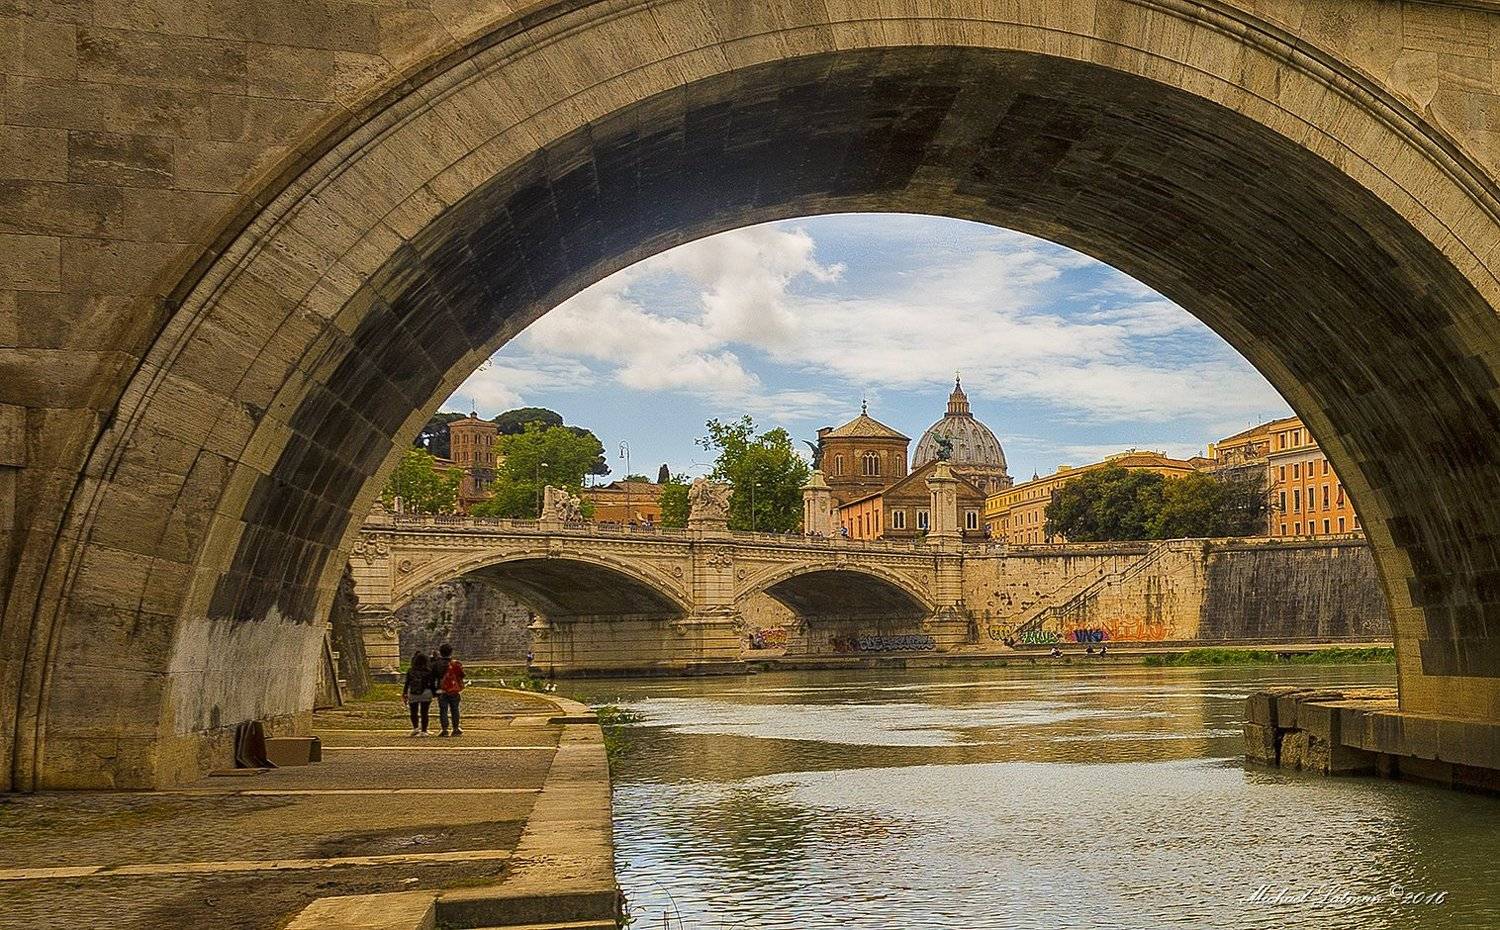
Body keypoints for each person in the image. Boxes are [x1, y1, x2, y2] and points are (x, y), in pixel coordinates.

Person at [430, 643, 465, 737]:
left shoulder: (436, 664)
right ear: (451, 652)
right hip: (454, 690)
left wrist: (434, 691)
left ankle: (444, 729)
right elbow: (462, 675)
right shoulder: (455, 664)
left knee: (443, 710)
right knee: (455, 709)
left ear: (441, 652)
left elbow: (432, 677)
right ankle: (456, 728)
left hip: (442, 690)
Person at [403, 652, 433, 736]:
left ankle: (415, 727)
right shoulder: (428, 671)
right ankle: (424, 730)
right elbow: (431, 683)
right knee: (424, 712)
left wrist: (404, 693)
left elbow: (407, 683)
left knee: (413, 711)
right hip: (426, 693)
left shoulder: (410, 670)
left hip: (413, 693)